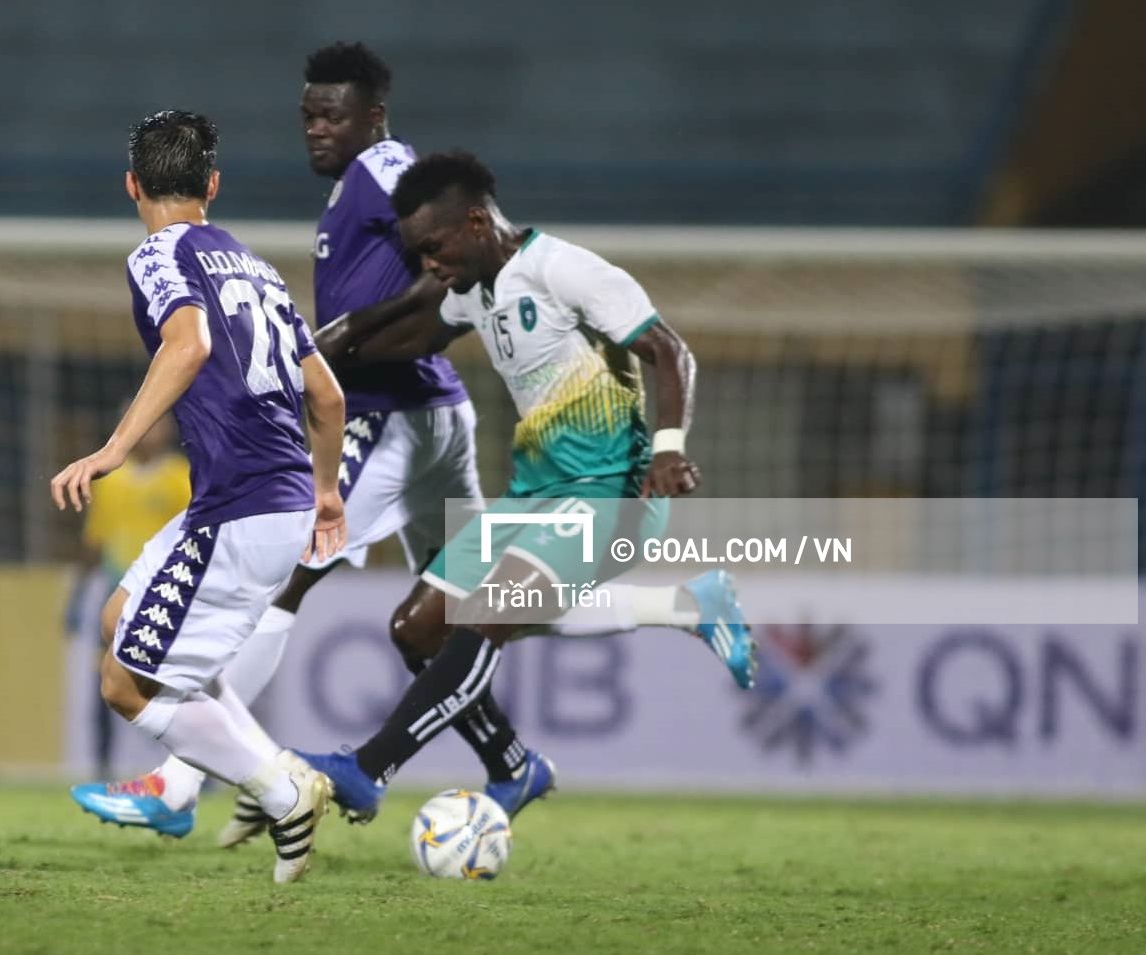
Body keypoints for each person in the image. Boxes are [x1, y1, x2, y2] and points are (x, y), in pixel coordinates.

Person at [296, 150, 756, 821]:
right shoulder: (472, 289)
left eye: (433, 246)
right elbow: (413, 326)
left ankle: (367, 768)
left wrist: (668, 449)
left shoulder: (561, 269)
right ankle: (514, 767)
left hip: (610, 495)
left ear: (477, 223)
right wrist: (325, 349)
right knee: (414, 629)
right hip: (532, 494)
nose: (428, 262)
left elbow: (668, 349)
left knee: (485, 616)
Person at [52, 109, 347, 883]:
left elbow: (189, 342)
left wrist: (114, 447)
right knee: (120, 618)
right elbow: (329, 398)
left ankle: (278, 787)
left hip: (241, 509)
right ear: (211, 185)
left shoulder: (157, 254)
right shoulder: (257, 267)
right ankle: (260, 775)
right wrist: (326, 492)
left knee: (121, 683)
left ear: (131, 185)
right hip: (255, 501)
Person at [62, 410, 189, 780]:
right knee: (105, 679)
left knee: (177, 679)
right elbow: (94, 540)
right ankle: (102, 767)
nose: (150, 432)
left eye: (157, 423)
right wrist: (78, 592)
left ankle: (189, 768)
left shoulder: (180, 477)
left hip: (166, 593)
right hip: (118, 592)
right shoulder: (111, 480)